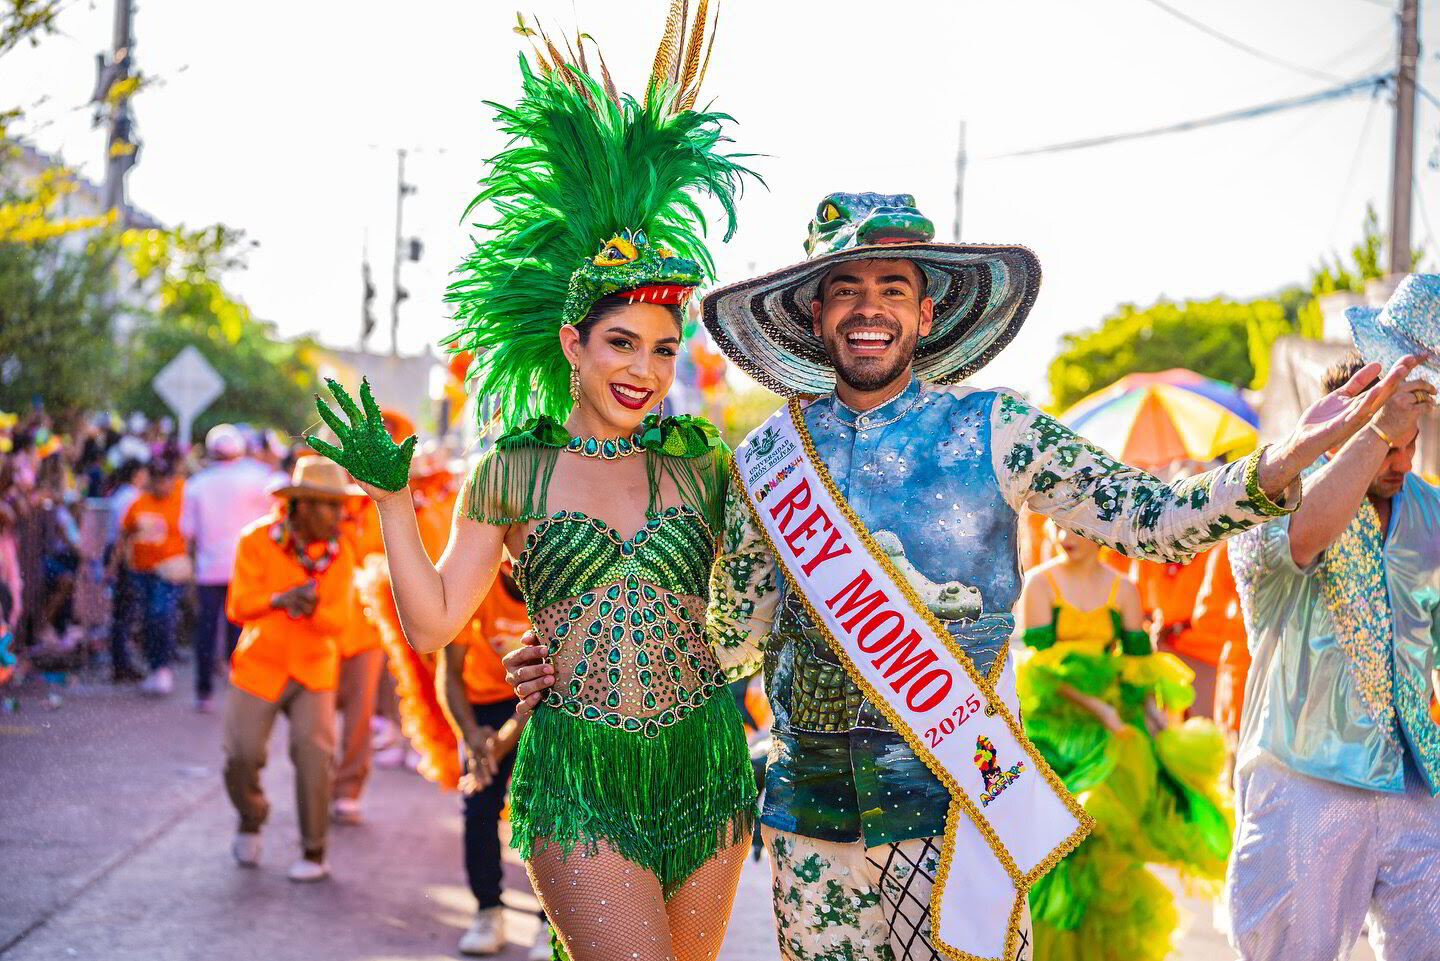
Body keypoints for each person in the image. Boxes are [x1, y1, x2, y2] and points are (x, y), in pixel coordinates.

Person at [502, 191, 1424, 961]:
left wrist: (1287, 459)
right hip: (806, 824)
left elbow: (1157, 518)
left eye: (892, 287)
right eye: (847, 288)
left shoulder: (999, 430)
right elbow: (724, 638)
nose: (870, 307)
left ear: (926, 310)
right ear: (815, 314)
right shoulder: (764, 459)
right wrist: (573, 654)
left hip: (957, 820)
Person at [306, 11, 760, 960]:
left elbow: (764, 597)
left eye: (664, 349)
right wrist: (393, 501)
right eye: (622, 343)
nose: (644, 369)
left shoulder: (702, 460)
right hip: (578, 771)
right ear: (573, 346)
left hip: (708, 763)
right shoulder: (512, 467)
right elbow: (432, 622)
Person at [1226, 338, 1439, 958]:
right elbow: (1307, 537)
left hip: (1415, 784)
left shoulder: (1429, 514)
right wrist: (1375, 430)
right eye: (1384, 444)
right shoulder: (1276, 497)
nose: (1400, 461)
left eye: (1410, 442)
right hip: (1304, 782)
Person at [1016, 520, 1230, 961]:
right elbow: (1041, 667)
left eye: (1076, 526)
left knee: (1107, 841)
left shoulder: (1123, 589)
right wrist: (1104, 712)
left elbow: (1139, 669)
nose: (1064, 535)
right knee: (1058, 841)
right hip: (1053, 727)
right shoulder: (1041, 582)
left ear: (1098, 533)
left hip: (1111, 729)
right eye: (1058, 524)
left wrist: (1156, 722)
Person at [222, 455, 358, 883]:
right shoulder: (256, 540)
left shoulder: (341, 553)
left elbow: (339, 623)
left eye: (340, 506)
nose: (340, 515)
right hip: (260, 666)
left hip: (313, 670)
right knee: (241, 756)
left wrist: (312, 606)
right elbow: (238, 606)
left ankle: (314, 851)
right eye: (329, 506)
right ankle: (251, 814)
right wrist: (280, 599)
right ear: (299, 506)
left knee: (315, 754)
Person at [437, 562, 547, 958]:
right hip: (481, 708)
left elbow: (547, 683)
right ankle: (487, 910)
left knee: (548, 808)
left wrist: (501, 744)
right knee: (478, 804)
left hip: (545, 703)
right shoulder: (475, 588)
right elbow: (448, 675)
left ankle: (550, 923)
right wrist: (472, 737)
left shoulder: (556, 591)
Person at [183, 423, 280, 712]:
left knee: (206, 628)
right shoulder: (261, 477)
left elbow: (188, 532)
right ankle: (241, 685)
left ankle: (204, 692)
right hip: (247, 569)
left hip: (209, 568)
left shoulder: (196, 484)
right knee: (242, 627)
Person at [115, 457, 189, 697]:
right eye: (155, 480)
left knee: (161, 613)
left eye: (164, 480)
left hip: (169, 571)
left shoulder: (182, 499)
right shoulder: (139, 503)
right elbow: (125, 534)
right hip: (142, 571)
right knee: (149, 617)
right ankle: (155, 668)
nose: (160, 485)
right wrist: (115, 564)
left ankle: (162, 668)